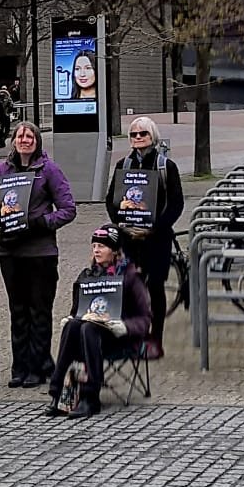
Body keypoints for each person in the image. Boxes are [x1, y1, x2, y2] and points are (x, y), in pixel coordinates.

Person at [0, 123, 77, 388]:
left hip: (40, 252)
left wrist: (41, 223)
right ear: (13, 141)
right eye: (20, 136)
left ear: (37, 141)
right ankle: (20, 366)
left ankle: (38, 367)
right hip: (10, 251)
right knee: (18, 311)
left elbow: (68, 209)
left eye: (30, 136)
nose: (25, 140)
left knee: (39, 311)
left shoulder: (49, 170)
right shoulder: (3, 170)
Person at [46, 226, 150, 419]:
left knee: (88, 329)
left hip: (120, 339)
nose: (96, 250)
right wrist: (71, 317)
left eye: (102, 246)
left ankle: (90, 397)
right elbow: (77, 312)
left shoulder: (131, 277)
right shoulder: (87, 276)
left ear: (116, 250)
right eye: (94, 246)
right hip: (89, 338)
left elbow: (144, 320)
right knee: (74, 326)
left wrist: (122, 326)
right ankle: (59, 391)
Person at [102, 116, 185, 357]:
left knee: (156, 289)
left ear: (153, 137)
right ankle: (134, 337)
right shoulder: (122, 165)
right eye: (133, 135)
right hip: (129, 239)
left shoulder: (165, 167)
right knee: (131, 289)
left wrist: (155, 228)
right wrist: (122, 223)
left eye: (143, 134)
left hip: (156, 240)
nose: (138, 138)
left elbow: (176, 204)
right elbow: (112, 200)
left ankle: (155, 341)